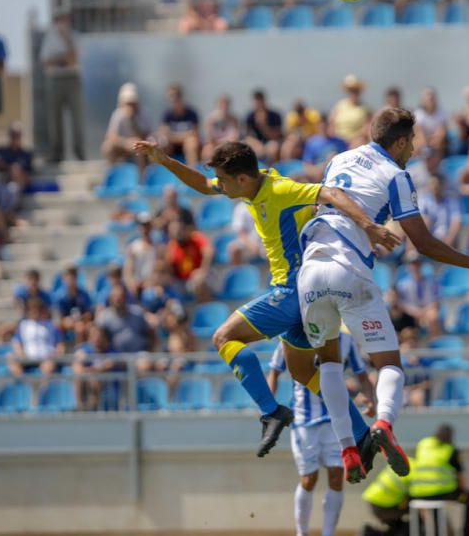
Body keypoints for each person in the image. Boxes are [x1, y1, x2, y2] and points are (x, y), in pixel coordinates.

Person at [132, 138, 398, 459]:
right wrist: (163, 160)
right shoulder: (253, 185)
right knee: (302, 372)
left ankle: (271, 411)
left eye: (226, 181)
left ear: (242, 179)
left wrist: (370, 227)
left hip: (290, 292)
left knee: (223, 337)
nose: (222, 187)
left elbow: (330, 192)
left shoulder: (280, 191)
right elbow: (203, 184)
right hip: (307, 300)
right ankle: (361, 435)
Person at [295, 108, 469, 481]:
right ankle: (384, 425)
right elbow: (422, 243)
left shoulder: (338, 159)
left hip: (310, 270)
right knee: (389, 364)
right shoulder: (397, 174)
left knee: (328, 363)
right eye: (414, 142)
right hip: (349, 270)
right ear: (403, 141)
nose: (414, 149)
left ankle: (347, 448)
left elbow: (321, 203)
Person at [267, 332, 374, 536]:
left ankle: (328, 533)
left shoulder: (345, 341)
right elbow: (274, 371)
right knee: (309, 478)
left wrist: (371, 399)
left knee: (336, 475)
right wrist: (268, 408)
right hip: (304, 419)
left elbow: (362, 374)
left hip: (336, 419)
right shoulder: (291, 337)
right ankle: (302, 532)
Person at [409, 424, 469, 536]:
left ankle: (435, 531)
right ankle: (468, 533)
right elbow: (461, 477)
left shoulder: (423, 444)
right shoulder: (450, 450)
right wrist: (463, 490)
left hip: (418, 493)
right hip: (442, 493)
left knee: (436, 508)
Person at [39, 10, 85, 161]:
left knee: (77, 118)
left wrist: (65, 41)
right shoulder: (50, 38)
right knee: (55, 118)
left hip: (72, 79)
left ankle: (79, 152)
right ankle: (56, 153)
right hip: (55, 80)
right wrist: (63, 60)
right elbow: (46, 62)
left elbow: (74, 60)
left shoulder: (75, 37)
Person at [8, 296, 63, 377]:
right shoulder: (23, 325)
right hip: (27, 358)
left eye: (37, 309)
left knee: (48, 366)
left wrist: (54, 355)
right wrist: (21, 354)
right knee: (11, 358)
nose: (35, 311)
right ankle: (24, 386)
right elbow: (17, 343)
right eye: (32, 309)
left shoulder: (51, 325)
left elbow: (60, 345)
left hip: (46, 358)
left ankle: (44, 388)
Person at [102, 83, 154, 164]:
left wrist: (132, 121)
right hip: (124, 145)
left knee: (139, 149)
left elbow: (147, 135)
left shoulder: (144, 114)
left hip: (140, 145)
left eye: (132, 103)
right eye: (128, 103)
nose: (130, 106)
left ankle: (142, 174)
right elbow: (111, 135)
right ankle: (112, 171)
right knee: (107, 147)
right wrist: (125, 142)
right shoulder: (118, 114)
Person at [158, 84, 201, 165]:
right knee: (162, 143)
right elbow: (164, 133)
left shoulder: (192, 113)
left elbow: (195, 133)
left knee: (191, 142)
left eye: (175, 96)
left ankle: (192, 170)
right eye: (170, 96)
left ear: (180, 97)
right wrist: (184, 136)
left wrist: (175, 136)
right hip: (172, 145)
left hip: (187, 144)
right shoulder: (167, 114)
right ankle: (162, 171)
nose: (173, 99)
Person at [361, 467, 409, 536]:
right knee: (416, 507)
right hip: (385, 504)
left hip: (373, 500)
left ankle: (372, 532)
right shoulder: (416, 468)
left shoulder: (402, 462)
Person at [330, 75, 372, 146]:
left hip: (357, 141)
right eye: (351, 91)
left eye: (356, 91)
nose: (353, 93)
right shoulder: (340, 105)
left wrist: (355, 139)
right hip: (339, 140)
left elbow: (368, 127)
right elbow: (331, 123)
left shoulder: (365, 108)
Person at [244, 88, 284, 164]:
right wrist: (257, 144)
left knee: (273, 148)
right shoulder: (250, 116)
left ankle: (273, 169)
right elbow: (248, 136)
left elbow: (275, 136)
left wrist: (263, 125)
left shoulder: (275, 115)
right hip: (257, 142)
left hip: (271, 141)